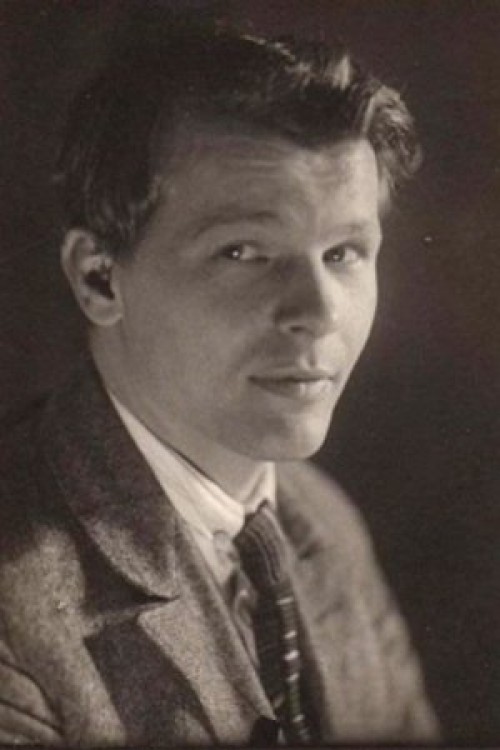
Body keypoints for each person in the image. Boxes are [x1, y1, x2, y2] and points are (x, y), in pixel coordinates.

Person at [0, 13, 439, 746]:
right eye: (245, 253)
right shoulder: (16, 605)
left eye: (343, 253)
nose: (318, 315)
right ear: (99, 277)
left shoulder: (323, 523)